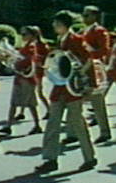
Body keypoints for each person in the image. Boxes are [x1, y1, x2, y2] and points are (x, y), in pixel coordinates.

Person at [35, 10, 97, 173]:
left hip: (72, 89)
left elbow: (88, 60)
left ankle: (89, 157)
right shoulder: (61, 40)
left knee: (78, 123)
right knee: (52, 123)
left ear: (64, 25)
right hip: (60, 87)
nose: (55, 26)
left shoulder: (76, 40)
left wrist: (88, 84)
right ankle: (50, 159)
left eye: (57, 24)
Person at [0, 27, 42, 136]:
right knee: (25, 103)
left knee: (20, 103)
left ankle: (10, 126)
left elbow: (27, 60)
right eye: (22, 34)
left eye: (25, 34)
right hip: (23, 78)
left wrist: (15, 60)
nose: (22, 36)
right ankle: (35, 125)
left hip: (25, 79)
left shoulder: (31, 46)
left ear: (31, 35)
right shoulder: (27, 46)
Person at [79, 5, 112, 143]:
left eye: (87, 15)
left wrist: (90, 53)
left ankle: (105, 131)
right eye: (83, 15)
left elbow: (104, 50)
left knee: (97, 102)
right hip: (82, 69)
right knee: (75, 101)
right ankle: (73, 132)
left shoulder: (99, 31)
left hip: (94, 69)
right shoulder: (82, 31)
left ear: (94, 16)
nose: (84, 18)